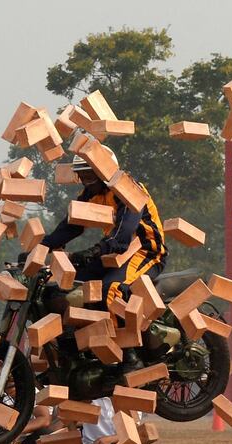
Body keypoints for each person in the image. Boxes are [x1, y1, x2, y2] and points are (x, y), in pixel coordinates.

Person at [37, 142, 167, 371]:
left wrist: (96, 250)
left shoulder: (126, 189)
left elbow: (124, 232)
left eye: (90, 175)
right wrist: (39, 250)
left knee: (110, 289)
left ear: (104, 172)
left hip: (146, 250)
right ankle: (79, 343)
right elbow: (70, 227)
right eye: (82, 176)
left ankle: (128, 356)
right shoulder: (89, 194)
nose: (86, 180)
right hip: (114, 254)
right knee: (62, 287)